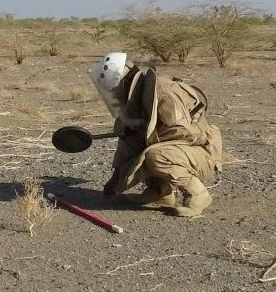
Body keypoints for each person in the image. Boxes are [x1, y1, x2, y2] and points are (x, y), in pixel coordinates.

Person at [89, 52, 223, 217]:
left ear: (123, 82)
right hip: (181, 151)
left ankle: (198, 194)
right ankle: (160, 192)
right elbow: (128, 145)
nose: (115, 95)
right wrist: (117, 178)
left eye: (115, 90)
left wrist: (145, 133)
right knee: (145, 147)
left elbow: (183, 133)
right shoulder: (138, 101)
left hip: (200, 153)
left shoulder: (163, 92)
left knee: (154, 154)